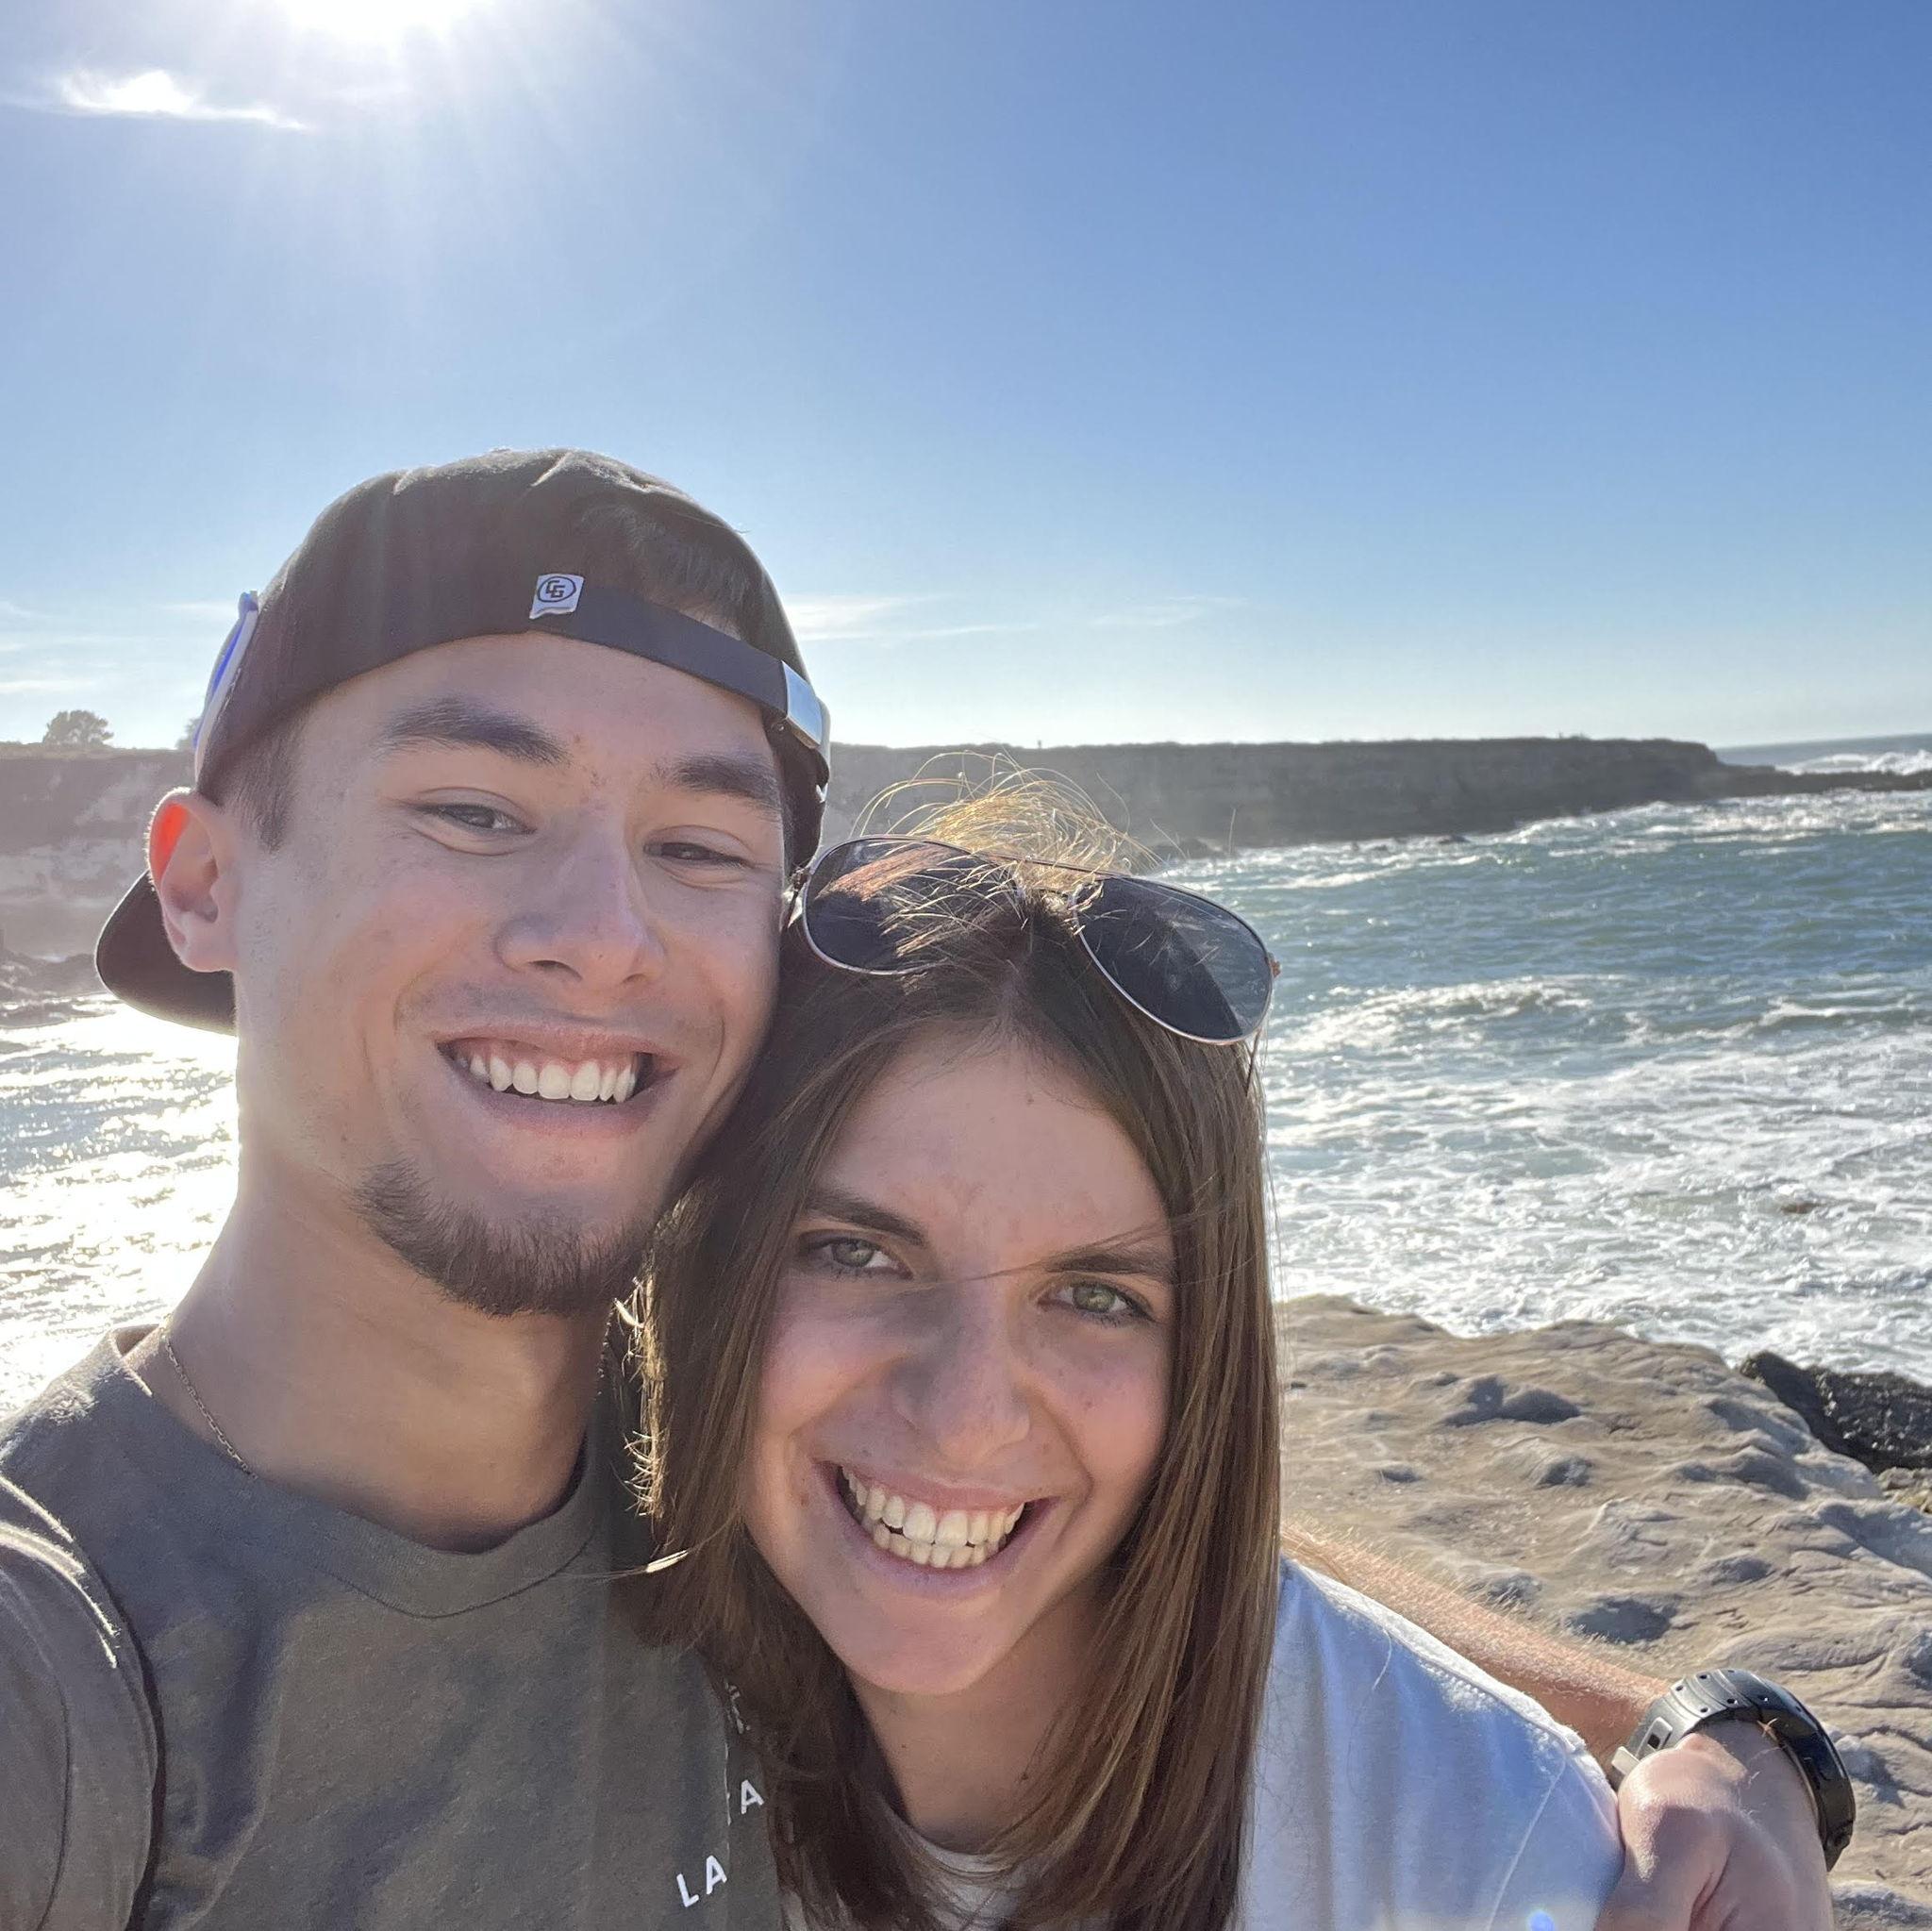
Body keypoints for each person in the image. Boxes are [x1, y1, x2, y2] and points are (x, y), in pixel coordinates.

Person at [0, 451, 1837, 1930]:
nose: (597, 935)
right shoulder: (71, 1671)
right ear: (203, 879)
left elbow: (1150, 1539)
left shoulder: (712, 1458)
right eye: (474, 808)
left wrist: (1717, 1731)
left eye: (700, 846)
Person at [635, 802, 1611, 1929]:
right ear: (711, 1272)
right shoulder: (600, 1683)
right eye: (855, 1254)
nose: (963, 1415)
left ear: (1201, 1368)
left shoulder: (1478, 1850)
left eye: (1093, 1296)